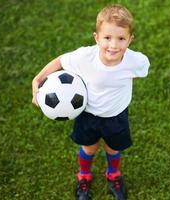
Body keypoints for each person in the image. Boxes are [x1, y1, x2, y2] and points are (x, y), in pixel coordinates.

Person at [32, 4, 150, 200]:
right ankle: (84, 176)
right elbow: (61, 61)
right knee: (89, 147)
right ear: (97, 38)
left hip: (116, 114)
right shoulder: (85, 57)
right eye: (107, 38)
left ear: (130, 40)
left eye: (121, 39)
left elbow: (138, 73)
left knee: (113, 148)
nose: (113, 45)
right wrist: (38, 79)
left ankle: (113, 175)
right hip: (88, 114)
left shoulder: (136, 61)